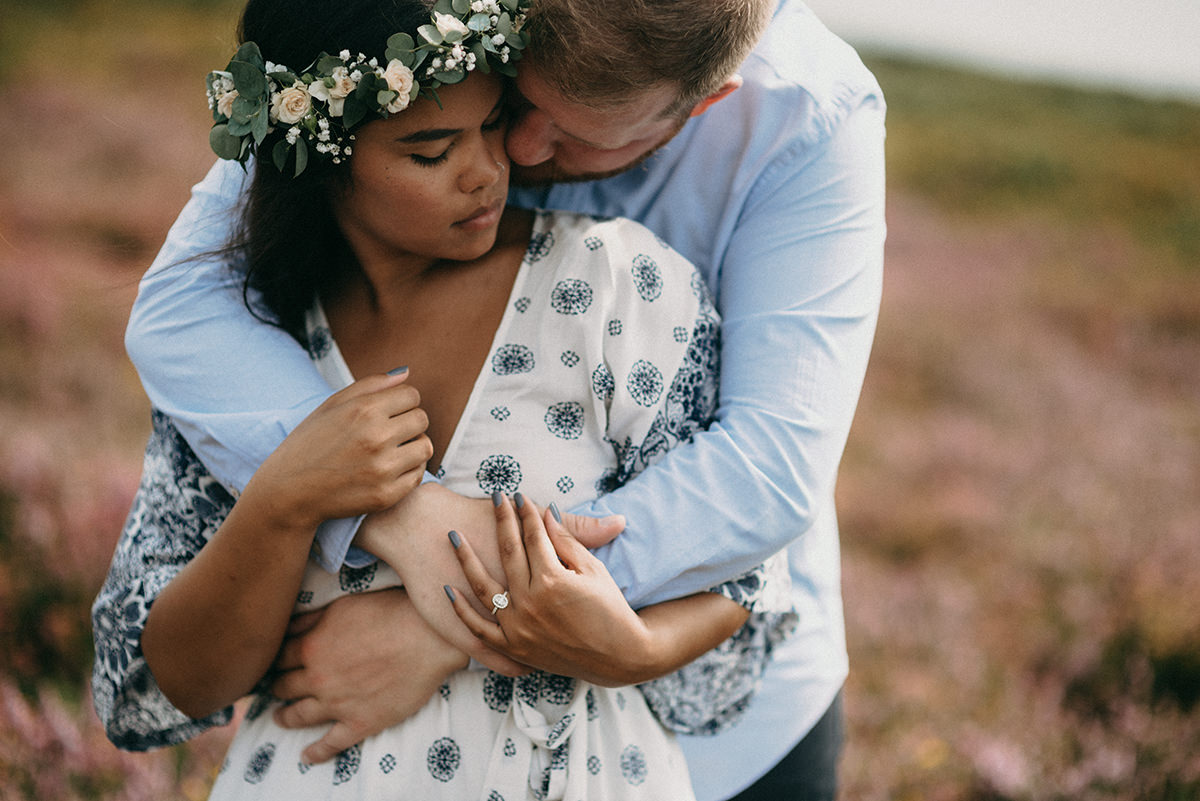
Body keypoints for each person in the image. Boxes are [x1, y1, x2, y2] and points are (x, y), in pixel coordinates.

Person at [112, 0, 886, 798]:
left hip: (706, 741)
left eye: (569, 131)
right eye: (515, 97)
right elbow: (182, 301)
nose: (513, 152)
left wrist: (455, 615)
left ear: (701, 106)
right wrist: (392, 514)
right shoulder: (381, 76)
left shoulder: (806, 123)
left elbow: (766, 475)